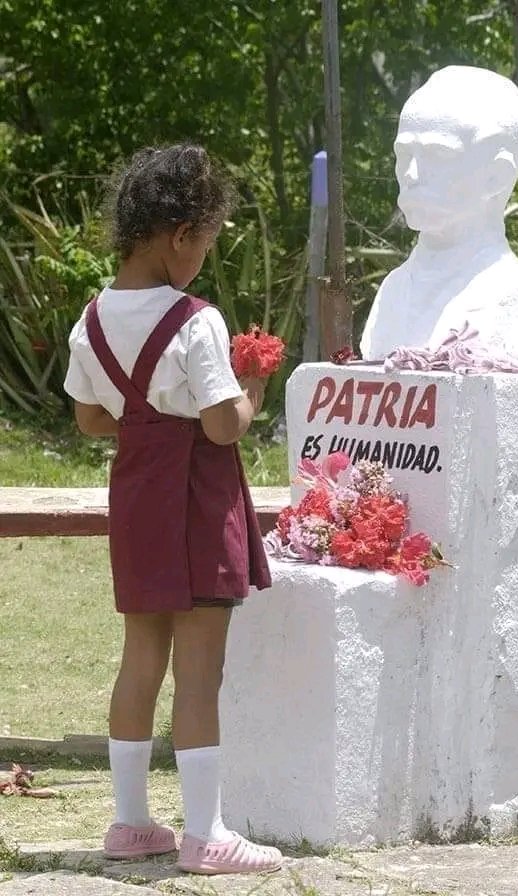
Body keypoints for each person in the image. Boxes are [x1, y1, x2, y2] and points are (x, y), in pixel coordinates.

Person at [64, 144, 283, 876]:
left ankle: (130, 823)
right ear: (181, 234)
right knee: (198, 671)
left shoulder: (91, 318)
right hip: (196, 498)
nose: (204, 261)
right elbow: (222, 427)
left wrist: (145, 418)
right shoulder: (196, 320)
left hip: (134, 497)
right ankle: (207, 833)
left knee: (140, 658)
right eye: (208, 244)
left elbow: (91, 419)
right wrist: (252, 391)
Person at [360, 66, 518, 366]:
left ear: (496, 176)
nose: (410, 174)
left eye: (437, 156)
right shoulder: (392, 290)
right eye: (404, 155)